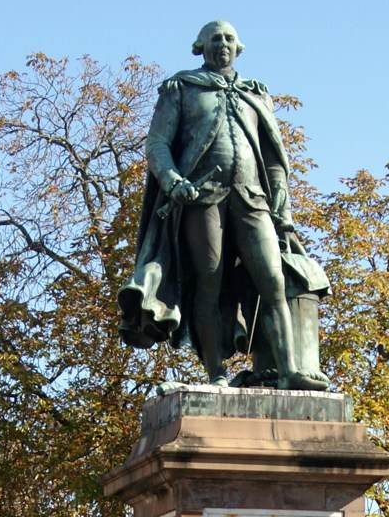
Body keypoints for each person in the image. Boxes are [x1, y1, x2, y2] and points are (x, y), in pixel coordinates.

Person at [118, 20, 329, 390]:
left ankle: (290, 370)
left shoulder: (255, 94)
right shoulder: (182, 88)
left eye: (229, 38)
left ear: (239, 47)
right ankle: (216, 374)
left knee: (274, 281)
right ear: (199, 46)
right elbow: (157, 145)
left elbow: (275, 160)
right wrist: (174, 182)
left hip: (252, 199)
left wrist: (285, 216)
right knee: (209, 283)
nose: (222, 44)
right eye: (215, 38)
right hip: (204, 199)